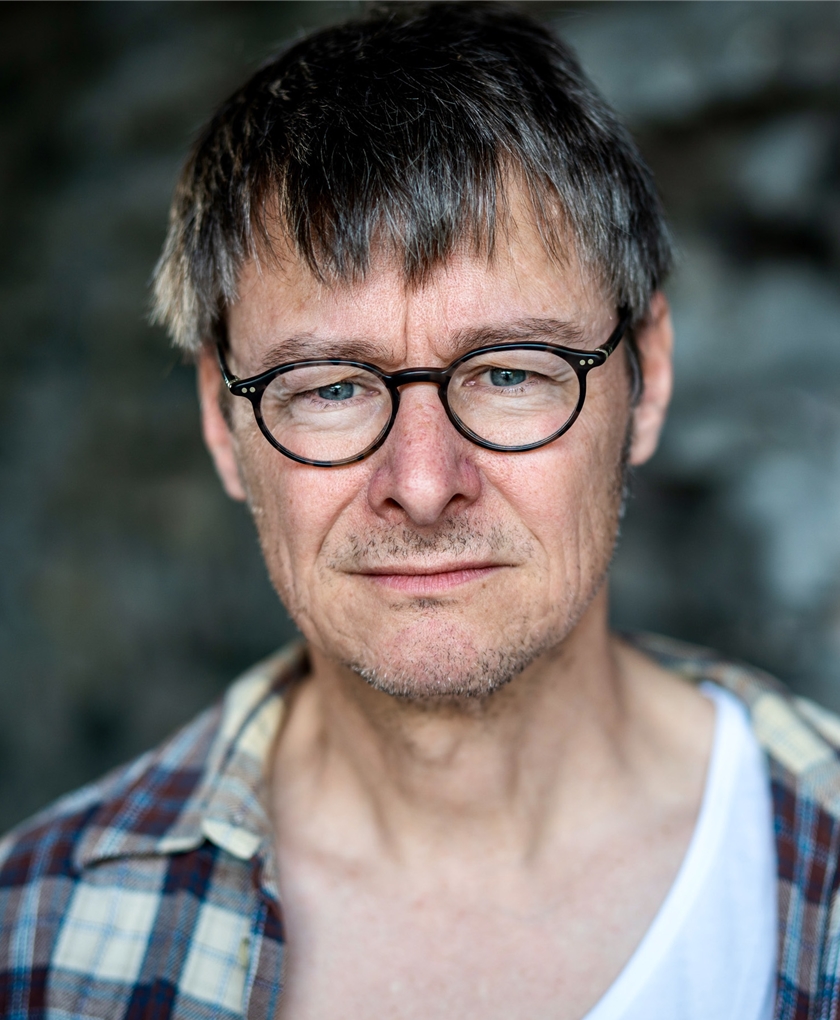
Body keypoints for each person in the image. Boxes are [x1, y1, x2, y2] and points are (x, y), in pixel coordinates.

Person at [1, 4, 839, 1018]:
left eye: (508, 372)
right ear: (224, 423)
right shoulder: (35, 938)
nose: (425, 481)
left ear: (646, 379)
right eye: (330, 387)